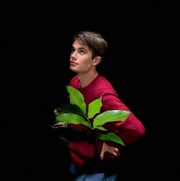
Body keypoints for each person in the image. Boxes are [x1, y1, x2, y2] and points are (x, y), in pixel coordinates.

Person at [57, 30, 145, 181]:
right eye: (73, 49)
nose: (73, 55)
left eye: (82, 51)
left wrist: (107, 141)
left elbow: (137, 129)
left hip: (95, 169)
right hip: (77, 158)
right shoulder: (75, 82)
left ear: (95, 60)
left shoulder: (103, 95)